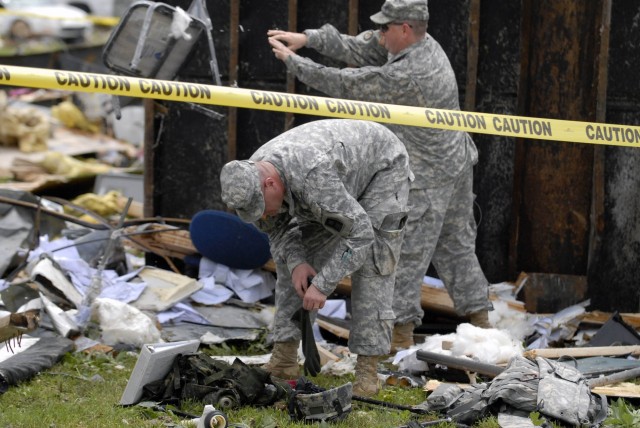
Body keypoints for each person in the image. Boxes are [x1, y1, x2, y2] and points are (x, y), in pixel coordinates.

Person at [267, 0, 494, 352]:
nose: (380, 34)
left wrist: (294, 63)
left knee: (404, 257)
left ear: (405, 28)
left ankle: (399, 341)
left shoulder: (411, 74)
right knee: (457, 248)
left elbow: (349, 85)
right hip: (454, 162)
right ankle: (484, 323)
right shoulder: (416, 41)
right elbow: (363, 45)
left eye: (386, 28)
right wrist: (307, 38)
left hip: (429, 177)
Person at [219, 119, 411, 397]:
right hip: (333, 182)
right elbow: (279, 231)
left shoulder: (313, 177)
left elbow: (359, 235)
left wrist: (323, 284)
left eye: (261, 208)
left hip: (381, 168)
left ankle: (367, 373)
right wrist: (298, 264)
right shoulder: (250, 176)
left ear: (270, 184)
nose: (261, 216)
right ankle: (284, 359)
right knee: (291, 264)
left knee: (373, 265)